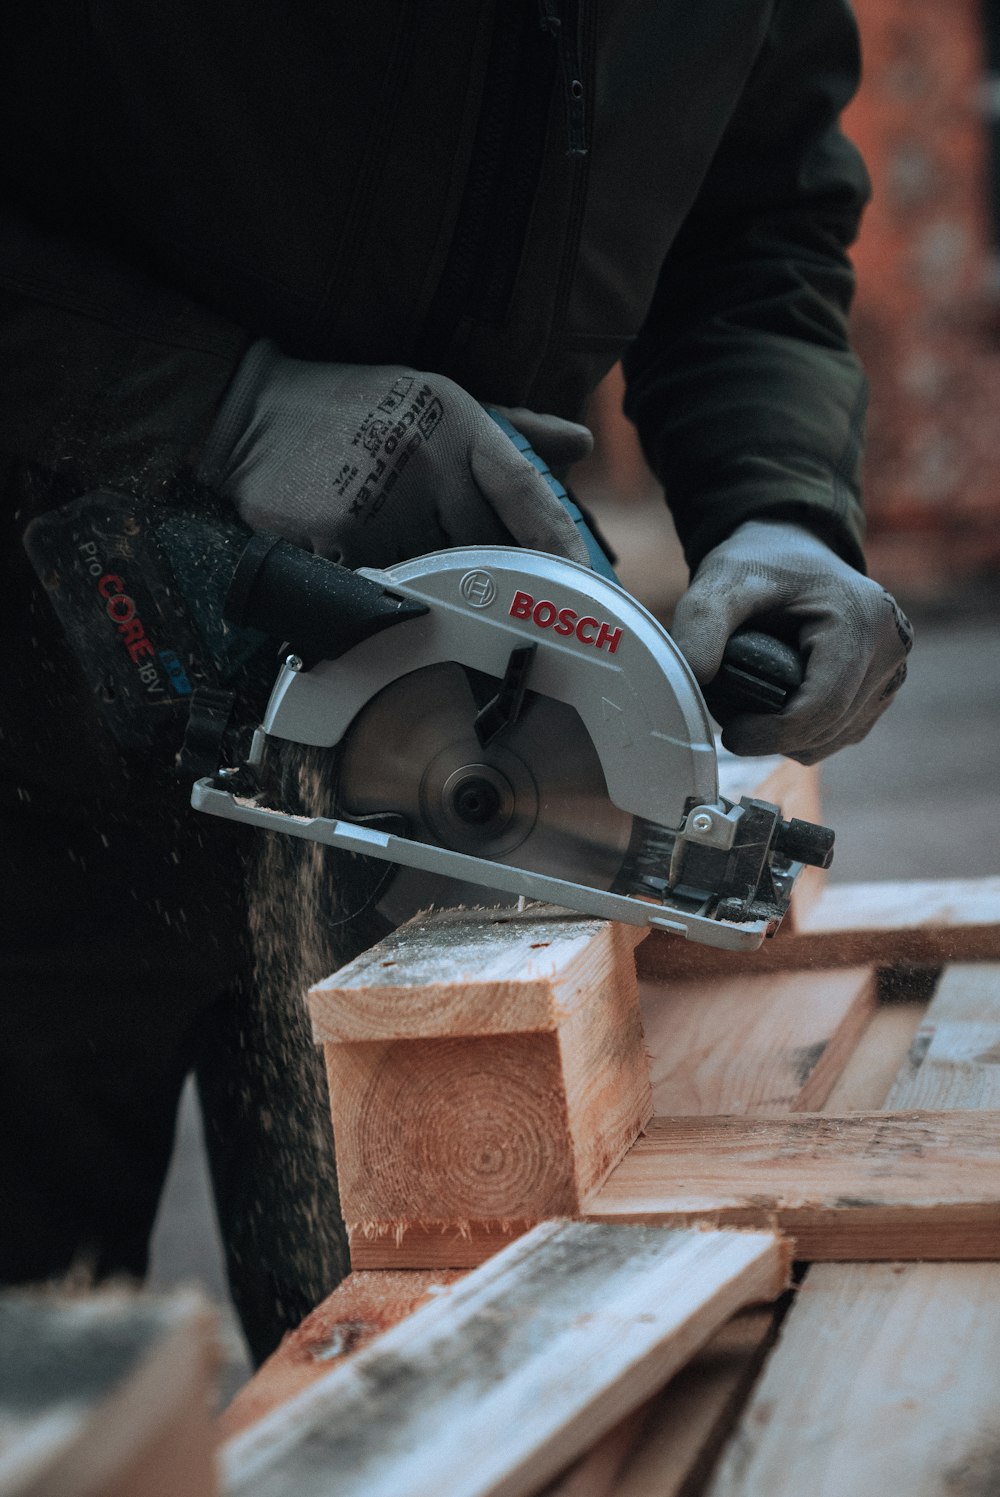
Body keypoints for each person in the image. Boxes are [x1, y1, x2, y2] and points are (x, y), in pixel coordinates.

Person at [0, 1, 911, 1362]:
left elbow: (755, 213)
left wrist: (777, 501)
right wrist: (210, 402)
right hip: (35, 725)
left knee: (424, 1394)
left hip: (429, 783)